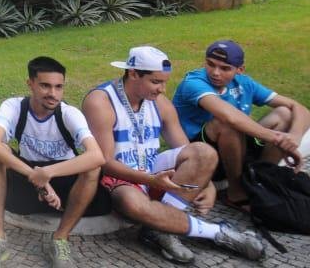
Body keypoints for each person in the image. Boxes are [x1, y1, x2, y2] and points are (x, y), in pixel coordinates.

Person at [82, 46, 264, 264]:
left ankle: (159, 230)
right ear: (133, 73)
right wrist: (150, 180)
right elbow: (106, 162)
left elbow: (184, 147)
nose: (163, 89)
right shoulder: (100, 102)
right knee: (133, 205)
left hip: (151, 166)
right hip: (119, 176)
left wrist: (208, 186)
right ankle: (219, 232)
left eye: (165, 82)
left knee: (205, 153)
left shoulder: (158, 101)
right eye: (156, 82)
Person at [0, 56, 107, 268]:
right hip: (29, 183)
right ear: (30, 84)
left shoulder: (69, 114)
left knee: (93, 167)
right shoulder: (14, 107)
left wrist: (48, 174)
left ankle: (59, 240)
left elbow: (97, 155)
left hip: (66, 187)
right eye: (45, 86)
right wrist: (35, 176)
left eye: (59, 87)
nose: (53, 94)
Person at [172, 40, 309, 210]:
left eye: (225, 68)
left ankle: (259, 178)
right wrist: (279, 139)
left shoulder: (245, 82)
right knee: (227, 124)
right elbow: (229, 117)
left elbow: (299, 108)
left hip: (235, 146)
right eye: (210, 64)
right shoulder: (193, 82)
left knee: (284, 114)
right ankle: (236, 193)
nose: (215, 73)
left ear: (240, 70)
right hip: (199, 153)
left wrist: (293, 137)